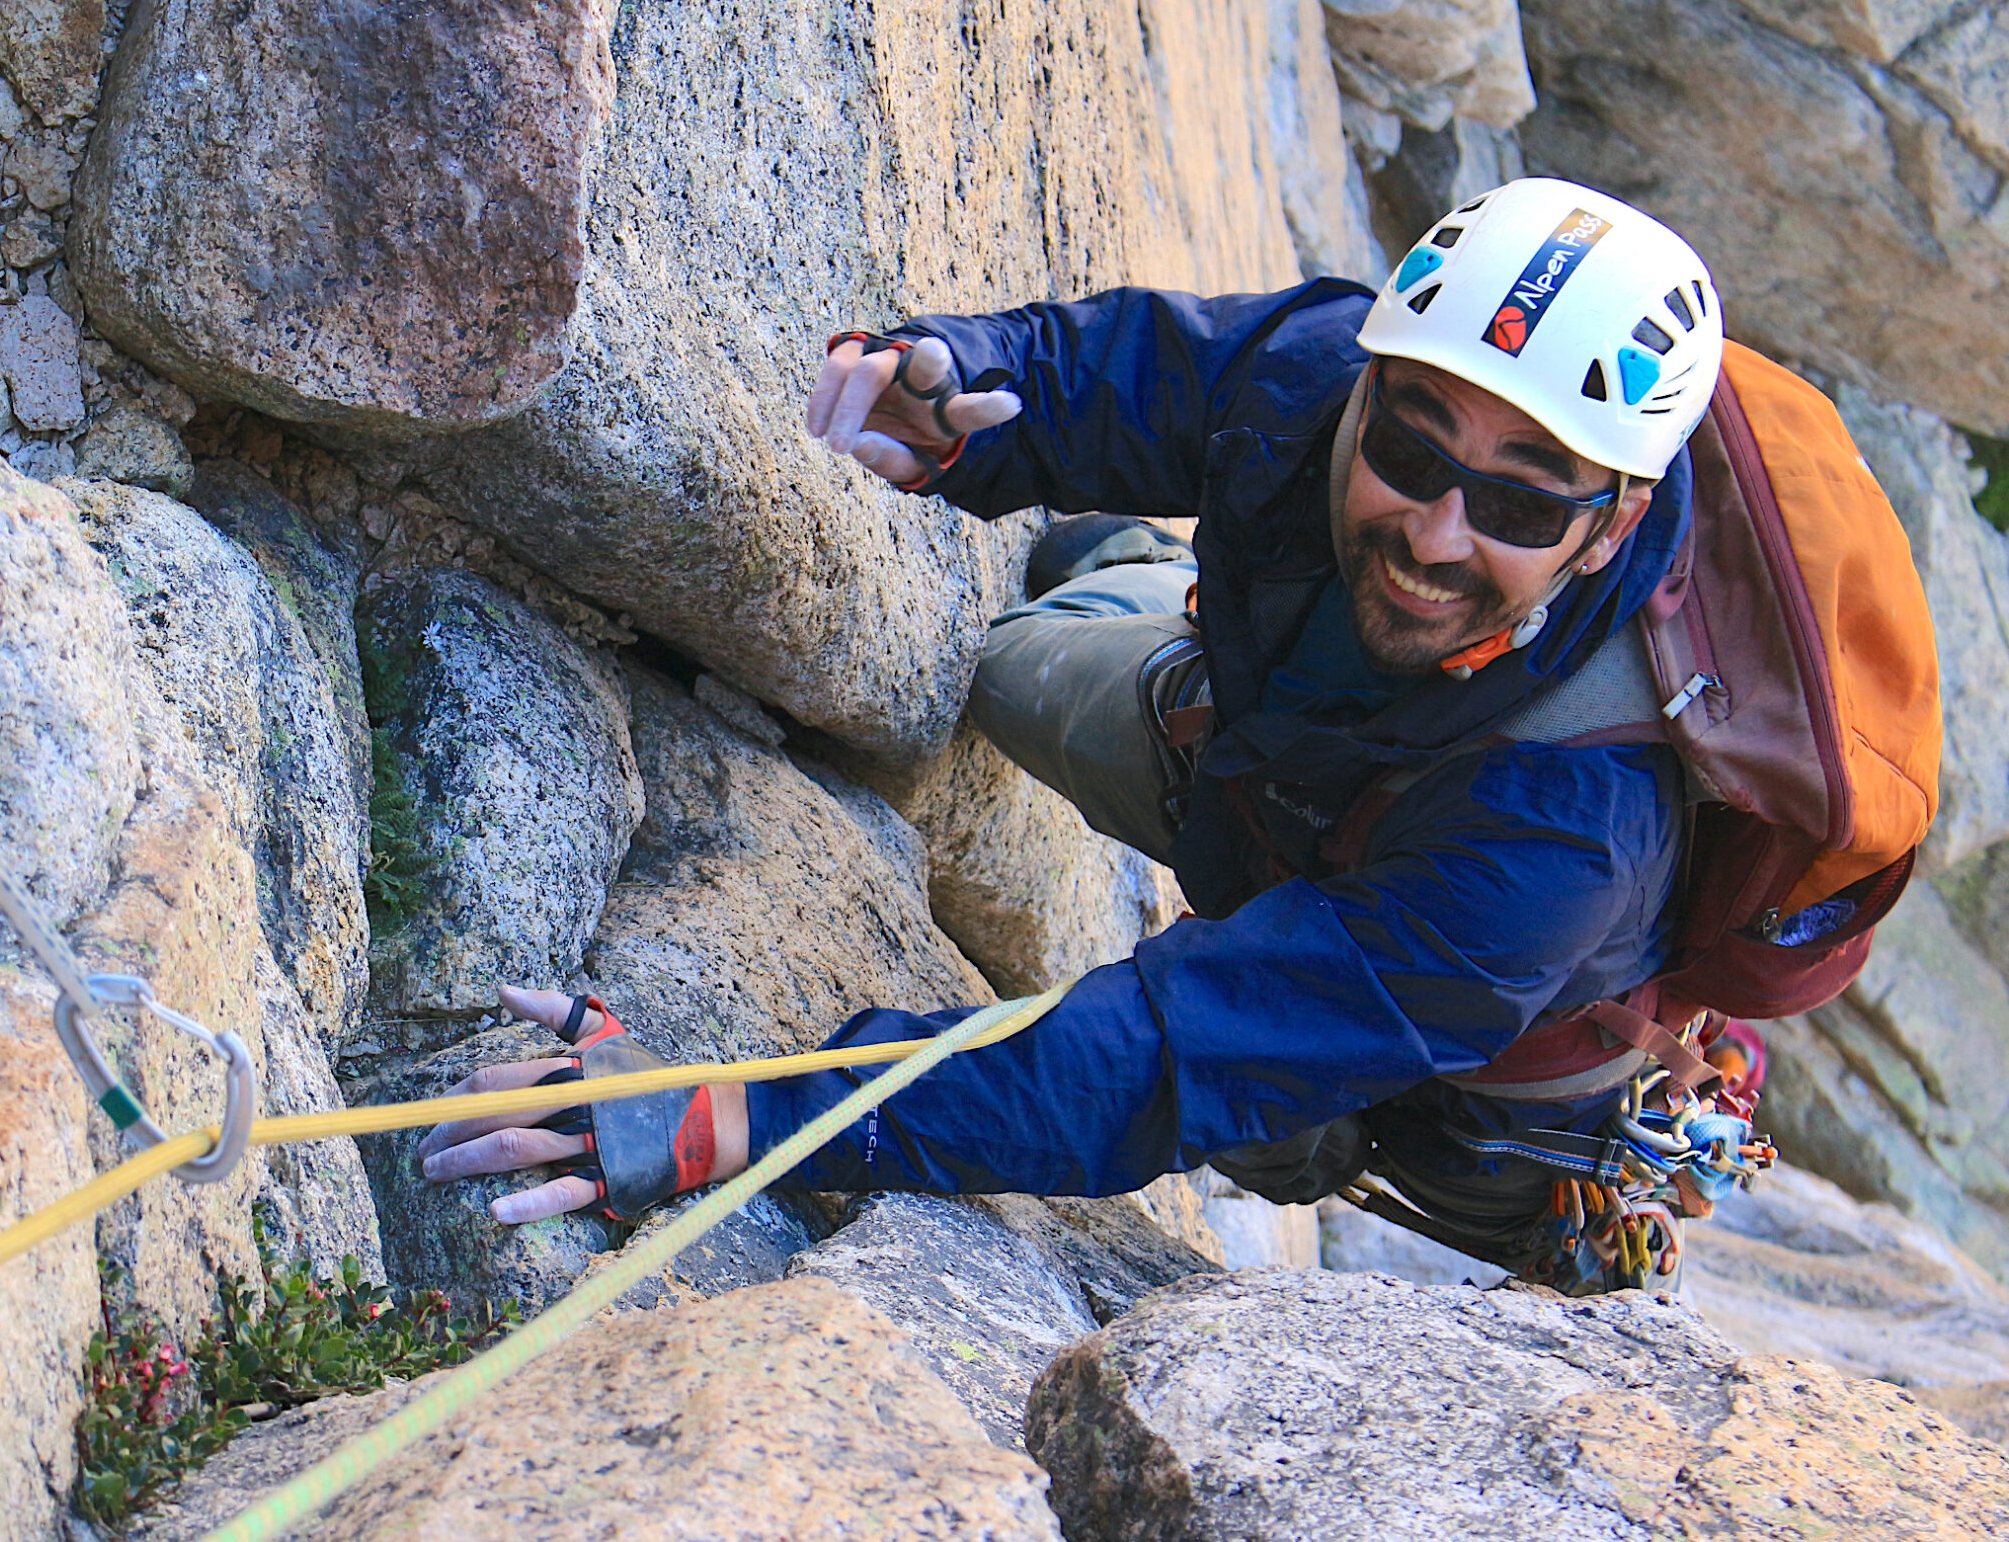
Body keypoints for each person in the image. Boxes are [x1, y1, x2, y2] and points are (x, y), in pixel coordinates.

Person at [415, 176, 1742, 1292]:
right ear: (1370, 391)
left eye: (1520, 507)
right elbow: (1135, 374)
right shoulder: (1324, 378)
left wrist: (749, 1116)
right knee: (1015, 668)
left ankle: (1513, 1203)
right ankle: (1133, 580)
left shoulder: (1569, 835)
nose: (1438, 534)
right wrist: (967, 398)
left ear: (1611, 525)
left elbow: (1168, 1056)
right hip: (1281, 779)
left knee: (1296, 1126)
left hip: (1496, 1053)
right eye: (1411, 450)